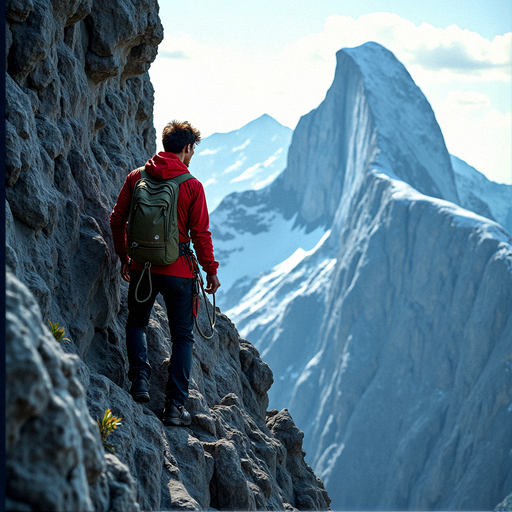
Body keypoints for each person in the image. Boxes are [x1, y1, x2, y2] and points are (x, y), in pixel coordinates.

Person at [110, 120, 220, 426]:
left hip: (142, 267)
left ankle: (139, 383)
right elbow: (201, 234)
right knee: (182, 339)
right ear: (187, 149)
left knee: (136, 323)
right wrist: (210, 271)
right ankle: (174, 408)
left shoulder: (136, 177)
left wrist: (124, 256)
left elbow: (117, 219)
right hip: (180, 273)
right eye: (193, 149)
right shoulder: (192, 186)